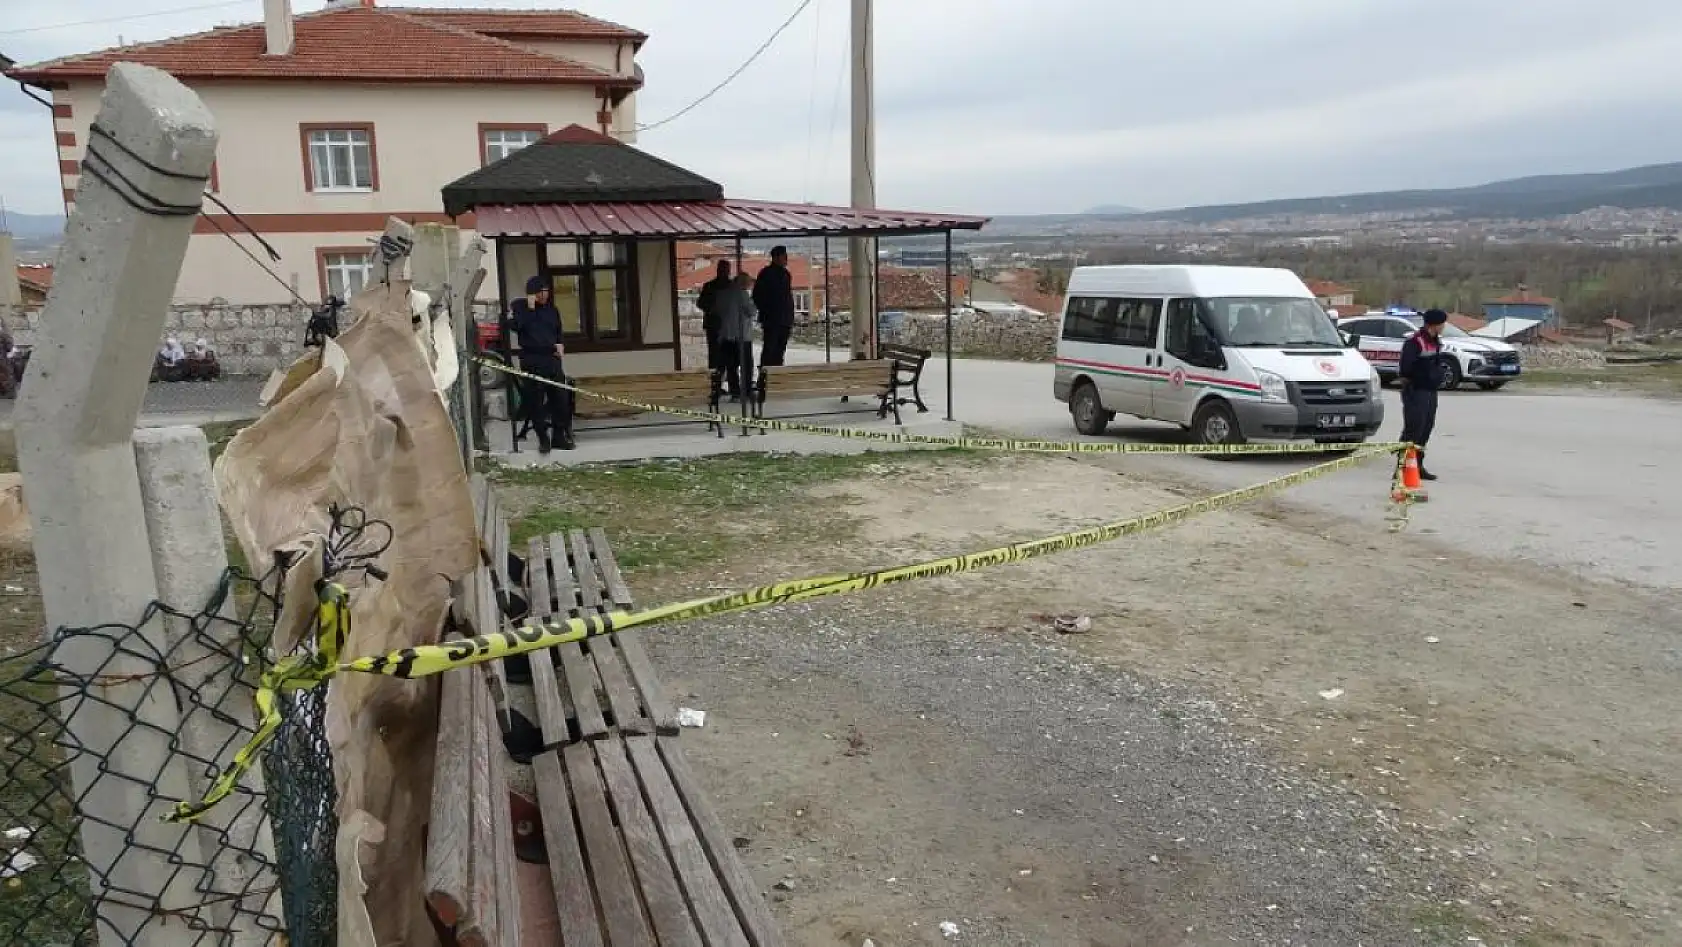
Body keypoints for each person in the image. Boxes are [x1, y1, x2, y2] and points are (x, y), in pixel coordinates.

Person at [509, 275, 576, 453]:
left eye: (546, 292)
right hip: (532, 359)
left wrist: (560, 344)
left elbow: (558, 330)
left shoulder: (552, 310)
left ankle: (559, 437)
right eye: (540, 292)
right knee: (536, 401)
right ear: (532, 294)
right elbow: (517, 326)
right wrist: (530, 308)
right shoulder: (520, 307)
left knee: (560, 399)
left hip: (551, 358)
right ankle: (543, 439)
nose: (544, 296)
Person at [1399, 308, 1449, 481]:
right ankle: (1402, 466)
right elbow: (1406, 369)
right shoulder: (1414, 342)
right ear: (1434, 324)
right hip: (1416, 391)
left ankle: (1417, 465)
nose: (1444, 326)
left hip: (1430, 391)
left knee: (1426, 429)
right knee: (1414, 428)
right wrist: (1426, 374)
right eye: (1442, 323)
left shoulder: (1435, 342)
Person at [717, 272, 759, 406]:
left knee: (731, 366)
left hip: (726, 335)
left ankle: (734, 392)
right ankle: (745, 392)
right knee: (746, 366)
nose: (749, 285)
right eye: (748, 282)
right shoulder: (742, 294)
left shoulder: (723, 294)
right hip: (742, 336)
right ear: (742, 283)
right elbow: (752, 312)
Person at [696, 260, 737, 397]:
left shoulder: (732, 286)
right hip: (714, 326)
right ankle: (716, 387)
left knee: (729, 359)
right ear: (719, 270)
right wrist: (713, 309)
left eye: (727, 269)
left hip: (728, 327)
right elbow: (701, 303)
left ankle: (728, 386)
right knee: (716, 358)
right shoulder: (710, 286)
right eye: (723, 269)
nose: (725, 271)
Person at [752, 245, 796, 367]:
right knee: (769, 351)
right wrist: (767, 311)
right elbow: (757, 296)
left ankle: (777, 378)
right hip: (771, 320)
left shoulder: (786, 274)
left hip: (785, 320)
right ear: (776, 257)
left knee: (779, 352)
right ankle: (764, 380)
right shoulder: (766, 274)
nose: (786, 258)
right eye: (783, 256)